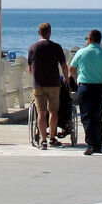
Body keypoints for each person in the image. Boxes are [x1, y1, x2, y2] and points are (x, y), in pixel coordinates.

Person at [69, 29, 102, 156]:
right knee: (97, 116)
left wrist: (76, 78)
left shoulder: (81, 52)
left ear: (89, 40)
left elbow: (72, 68)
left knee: (86, 116)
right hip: (100, 88)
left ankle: (91, 144)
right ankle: (98, 144)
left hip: (85, 86)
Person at [27, 22, 69, 150]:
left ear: (38, 33)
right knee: (53, 112)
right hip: (53, 83)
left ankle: (43, 140)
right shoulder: (56, 47)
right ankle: (52, 138)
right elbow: (63, 65)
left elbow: (30, 69)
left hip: (38, 84)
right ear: (50, 33)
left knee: (41, 112)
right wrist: (66, 78)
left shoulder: (32, 48)